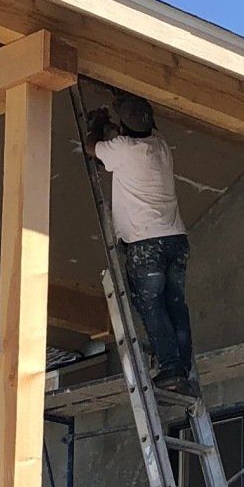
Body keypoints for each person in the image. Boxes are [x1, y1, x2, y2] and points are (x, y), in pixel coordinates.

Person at [84, 91, 194, 386]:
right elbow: (134, 134)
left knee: (150, 303)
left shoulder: (122, 147)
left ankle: (171, 366)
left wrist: (97, 124)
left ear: (124, 127)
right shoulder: (160, 146)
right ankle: (183, 365)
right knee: (175, 303)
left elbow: (92, 147)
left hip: (147, 243)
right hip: (176, 239)